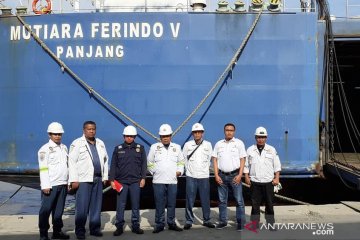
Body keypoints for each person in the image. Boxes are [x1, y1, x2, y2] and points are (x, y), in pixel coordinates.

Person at [68, 121, 109, 239]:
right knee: (82, 207)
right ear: (84, 130)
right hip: (83, 180)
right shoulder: (77, 143)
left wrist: (105, 176)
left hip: (98, 178)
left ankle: (95, 229)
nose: (91, 131)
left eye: (93, 129)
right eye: (89, 129)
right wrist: (74, 180)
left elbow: (106, 161)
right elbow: (71, 162)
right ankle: (80, 230)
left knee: (96, 206)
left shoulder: (100, 143)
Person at [109, 125, 147, 236]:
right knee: (120, 205)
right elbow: (113, 165)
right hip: (121, 182)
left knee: (135, 204)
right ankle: (119, 226)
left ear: (134, 136)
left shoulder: (140, 148)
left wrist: (143, 178)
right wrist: (112, 180)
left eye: (131, 136)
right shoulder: (118, 149)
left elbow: (144, 164)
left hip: (135, 181)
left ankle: (135, 225)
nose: (129, 138)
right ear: (124, 136)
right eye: (127, 136)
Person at [147, 124, 185, 233]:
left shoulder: (177, 147)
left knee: (172, 203)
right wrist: (155, 172)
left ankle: (171, 223)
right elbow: (149, 162)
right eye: (163, 136)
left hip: (172, 180)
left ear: (171, 136)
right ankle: (159, 224)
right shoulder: (154, 147)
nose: (165, 138)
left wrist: (180, 171)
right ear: (160, 137)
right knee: (159, 203)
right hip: (158, 181)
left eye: (167, 135)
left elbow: (181, 162)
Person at [244, 126, 281, 230]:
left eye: (263, 137)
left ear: (266, 138)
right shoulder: (250, 150)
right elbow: (246, 165)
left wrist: (277, 178)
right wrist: (246, 177)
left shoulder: (271, 150)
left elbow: (277, 165)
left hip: (268, 182)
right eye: (259, 137)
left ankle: (270, 224)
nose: (261, 139)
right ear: (255, 137)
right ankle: (254, 225)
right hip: (255, 182)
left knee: (269, 204)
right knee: (255, 205)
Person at [212, 123, 247, 231]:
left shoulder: (239, 143)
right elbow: (215, 159)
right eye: (227, 130)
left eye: (231, 130)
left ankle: (240, 222)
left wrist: (240, 175)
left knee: (239, 200)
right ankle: (223, 221)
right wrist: (216, 175)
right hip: (221, 175)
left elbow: (243, 159)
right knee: (222, 200)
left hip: (235, 175)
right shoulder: (219, 144)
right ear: (224, 131)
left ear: (234, 131)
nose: (229, 132)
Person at [38, 122, 70, 240]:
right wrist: (45, 185)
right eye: (55, 134)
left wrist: (68, 181)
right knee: (45, 210)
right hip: (51, 185)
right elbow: (43, 168)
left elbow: (67, 166)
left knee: (58, 211)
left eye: (59, 134)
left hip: (62, 183)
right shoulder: (44, 149)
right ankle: (43, 233)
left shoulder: (64, 147)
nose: (58, 136)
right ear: (49, 134)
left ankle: (57, 232)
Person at [182, 123, 215, 230]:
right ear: (192, 134)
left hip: (204, 176)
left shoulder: (208, 145)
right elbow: (184, 160)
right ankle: (188, 221)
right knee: (190, 199)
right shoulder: (187, 145)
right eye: (195, 132)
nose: (197, 134)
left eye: (199, 132)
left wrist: (204, 170)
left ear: (202, 133)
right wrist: (188, 171)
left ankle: (207, 220)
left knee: (205, 199)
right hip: (191, 176)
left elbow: (210, 159)